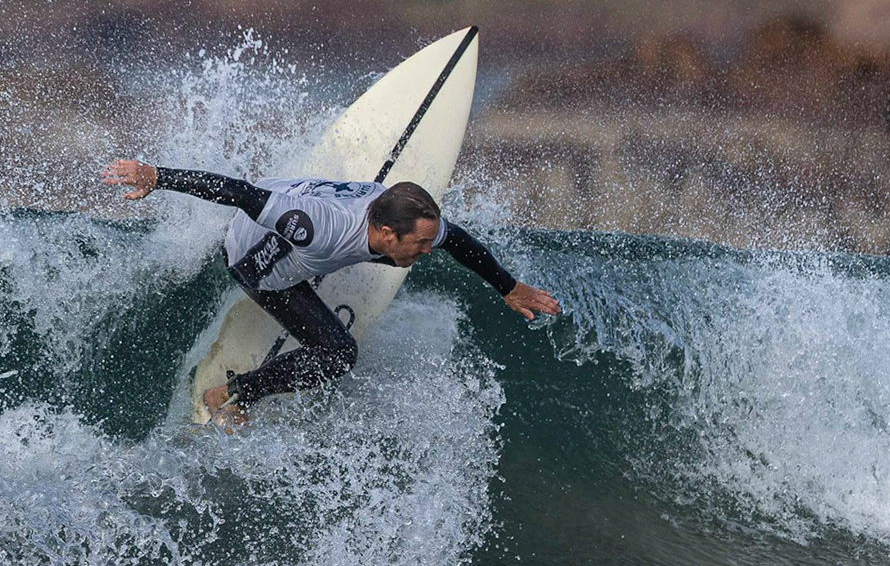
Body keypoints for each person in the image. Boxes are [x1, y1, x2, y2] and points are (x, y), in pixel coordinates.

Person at [102, 159, 560, 424]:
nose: (428, 249)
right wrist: (156, 176)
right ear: (385, 231)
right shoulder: (317, 229)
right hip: (255, 259)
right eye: (419, 243)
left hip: (289, 193)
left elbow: (456, 240)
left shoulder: (397, 220)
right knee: (337, 355)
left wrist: (509, 287)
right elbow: (240, 193)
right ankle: (231, 394)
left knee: (426, 249)